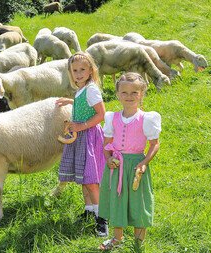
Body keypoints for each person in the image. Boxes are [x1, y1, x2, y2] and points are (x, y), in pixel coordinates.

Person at [98, 72, 161, 250]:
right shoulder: (112, 117)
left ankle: (138, 241)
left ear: (142, 94)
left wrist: (144, 163)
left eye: (135, 92)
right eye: (124, 92)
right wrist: (108, 158)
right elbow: (107, 142)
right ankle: (117, 238)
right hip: (116, 165)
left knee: (138, 201)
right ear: (117, 94)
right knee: (117, 198)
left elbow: (155, 144)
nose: (129, 96)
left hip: (136, 166)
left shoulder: (147, 119)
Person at [54, 52, 107, 236]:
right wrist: (71, 101)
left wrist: (82, 125)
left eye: (82, 70)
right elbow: (84, 103)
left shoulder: (92, 89)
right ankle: (89, 210)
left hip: (89, 136)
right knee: (84, 178)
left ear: (91, 70)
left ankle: (102, 218)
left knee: (91, 180)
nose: (78, 74)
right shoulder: (82, 89)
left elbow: (101, 114)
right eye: (74, 70)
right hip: (80, 137)